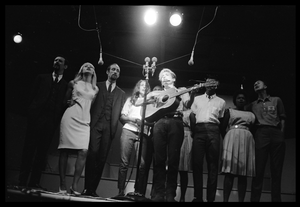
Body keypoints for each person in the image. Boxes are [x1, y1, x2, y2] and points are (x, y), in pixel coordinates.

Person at [18, 55, 68, 190]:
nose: (57, 62)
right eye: (55, 60)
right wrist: (31, 112)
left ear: (65, 66)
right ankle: (22, 181)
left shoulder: (65, 85)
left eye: (60, 61)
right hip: (37, 117)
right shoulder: (42, 77)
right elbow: (32, 95)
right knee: (29, 149)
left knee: (42, 152)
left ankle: (34, 182)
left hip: (51, 120)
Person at [139, 68, 190, 202]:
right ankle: (158, 194)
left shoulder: (181, 90)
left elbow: (187, 105)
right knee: (159, 159)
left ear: (174, 79)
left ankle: (170, 195)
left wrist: (190, 94)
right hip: (159, 122)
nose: (164, 77)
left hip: (176, 122)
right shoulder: (156, 92)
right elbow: (139, 102)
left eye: (167, 75)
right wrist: (150, 99)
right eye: (162, 76)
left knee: (173, 160)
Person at [81, 63, 126, 197]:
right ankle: (86, 188)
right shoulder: (97, 86)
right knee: (92, 155)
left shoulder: (121, 93)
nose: (115, 72)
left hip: (109, 128)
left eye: (118, 70)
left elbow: (121, 114)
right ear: (107, 72)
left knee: (102, 159)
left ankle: (93, 189)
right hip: (96, 124)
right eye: (113, 69)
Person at [57, 62, 99, 196]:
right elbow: (64, 101)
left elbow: (90, 104)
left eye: (91, 66)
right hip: (71, 117)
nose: (88, 67)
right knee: (64, 150)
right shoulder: (73, 83)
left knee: (83, 151)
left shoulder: (95, 88)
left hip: (84, 120)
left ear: (94, 72)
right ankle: (62, 184)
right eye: (86, 66)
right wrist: (69, 102)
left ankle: (74, 185)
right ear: (81, 69)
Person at [246, 79, 286, 202]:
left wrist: (281, 133)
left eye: (258, 82)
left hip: (275, 132)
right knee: (259, 169)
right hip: (261, 133)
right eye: (254, 84)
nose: (255, 84)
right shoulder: (252, 105)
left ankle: (276, 200)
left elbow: (282, 117)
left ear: (266, 86)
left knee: (276, 170)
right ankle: (254, 199)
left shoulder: (276, 100)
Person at [189, 75, 226, 202]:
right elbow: (192, 116)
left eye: (212, 82)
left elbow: (221, 119)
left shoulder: (221, 102)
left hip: (214, 130)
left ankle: (211, 199)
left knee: (213, 165)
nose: (209, 84)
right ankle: (197, 197)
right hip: (199, 130)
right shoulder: (197, 99)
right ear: (205, 84)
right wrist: (195, 131)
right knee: (197, 164)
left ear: (216, 85)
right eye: (207, 82)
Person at [116, 79, 152, 197]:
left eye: (146, 85)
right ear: (138, 87)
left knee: (141, 165)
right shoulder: (130, 100)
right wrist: (134, 120)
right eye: (141, 85)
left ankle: (138, 191)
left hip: (143, 133)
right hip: (128, 130)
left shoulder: (150, 103)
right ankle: (121, 191)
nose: (143, 87)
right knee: (124, 162)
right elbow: (122, 116)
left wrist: (144, 123)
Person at [219, 89, 256, 202]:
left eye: (243, 98)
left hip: (246, 140)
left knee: (242, 173)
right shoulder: (229, 111)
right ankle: (225, 200)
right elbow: (222, 128)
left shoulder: (251, 114)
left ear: (246, 101)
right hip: (232, 138)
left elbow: (254, 129)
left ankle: (241, 200)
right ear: (235, 100)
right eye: (239, 98)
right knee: (229, 172)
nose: (241, 100)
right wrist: (229, 138)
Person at [178, 99, 193, 202]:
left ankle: (182, 197)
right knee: (170, 169)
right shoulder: (175, 110)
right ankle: (169, 194)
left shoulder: (191, 111)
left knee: (184, 170)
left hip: (187, 136)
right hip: (174, 135)